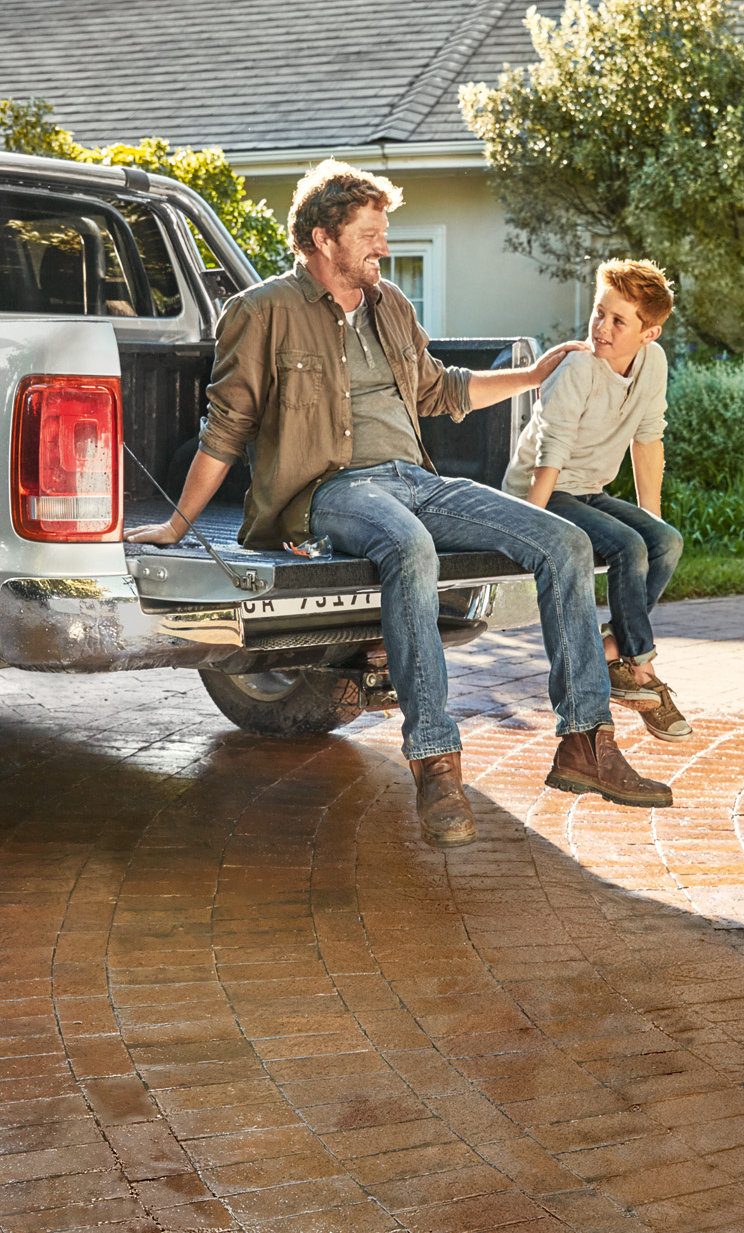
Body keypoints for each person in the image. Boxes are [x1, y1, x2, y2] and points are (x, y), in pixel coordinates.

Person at [126, 160, 672, 848]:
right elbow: (226, 428)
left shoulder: (391, 307)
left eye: (384, 231)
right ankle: (436, 762)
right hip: (328, 489)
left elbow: (440, 391)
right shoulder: (260, 312)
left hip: (416, 478)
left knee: (563, 542)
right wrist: (179, 522)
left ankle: (585, 744)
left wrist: (532, 376)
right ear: (324, 240)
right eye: (370, 233)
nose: (383, 245)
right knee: (407, 546)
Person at [503, 260, 691, 742]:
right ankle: (640, 671)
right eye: (599, 313)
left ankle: (615, 648)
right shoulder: (579, 367)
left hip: (588, 490)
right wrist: (531, 521)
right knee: (629, 548)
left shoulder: (655, 364)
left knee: (664, 542)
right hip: (541, 492)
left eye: (618, 320)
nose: (601, 329)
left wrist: (652, 517)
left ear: (649, 333)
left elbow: (648, 440)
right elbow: (552, 452)